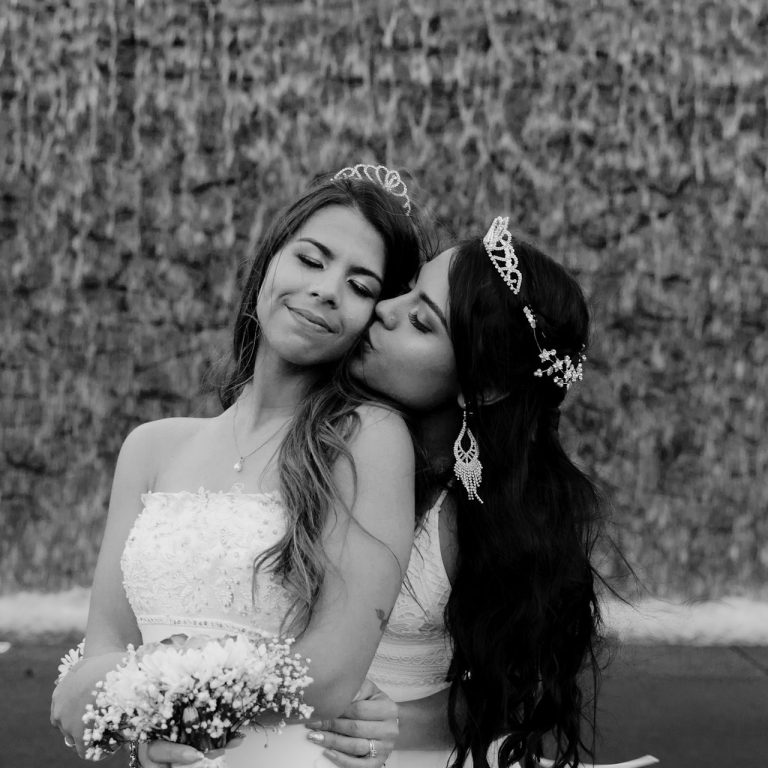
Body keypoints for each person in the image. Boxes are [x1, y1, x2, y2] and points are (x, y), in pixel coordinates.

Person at [50, 164, 424, 767]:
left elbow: (328, 675)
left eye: (360, 287)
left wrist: (140, 687)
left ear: (372, 317)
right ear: (268, 261)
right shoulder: (150, 448)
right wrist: (147, 733)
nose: (327, 289)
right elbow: (102, 651)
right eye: (311, 259)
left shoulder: (366, 439)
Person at [309, 217, 609, 768]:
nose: (383, 309)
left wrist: (384, 725)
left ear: (485, 385)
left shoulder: (494, 522)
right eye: (406, 291)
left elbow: (505, 693)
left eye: (420, 321)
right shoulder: (315, 428)